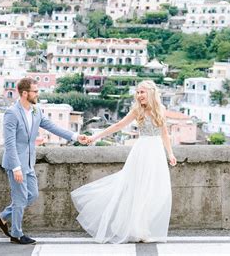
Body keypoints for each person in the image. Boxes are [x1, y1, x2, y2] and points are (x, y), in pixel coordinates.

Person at [71, 80, 177, 244]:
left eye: (142, 92)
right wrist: (94, 137)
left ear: (151, 92)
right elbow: (118, 125)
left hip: (156, 153)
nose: (139, 95)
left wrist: (170, 153)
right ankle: (138, 230)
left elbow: (164, 133)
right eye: (138, 92)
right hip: (142, 151)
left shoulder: (161, 109)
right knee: (138, 190)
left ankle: (142, 227)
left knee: (155, 191)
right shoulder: (137, 110)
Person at [0, 77, 89, 245]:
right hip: (16, 163)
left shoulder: (36, 111)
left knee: (33, 194)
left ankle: (3, 217)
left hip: (29, 162)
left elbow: (52, 127)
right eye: (35, 91)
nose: (37, 94)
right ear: (24, 93)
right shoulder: (12, 113)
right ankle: (16, 233)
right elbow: (9, 143)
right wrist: (16, 167)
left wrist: (75, 136)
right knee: (20, 198)